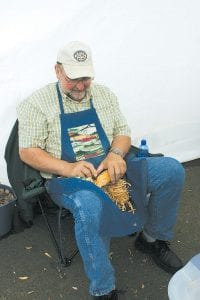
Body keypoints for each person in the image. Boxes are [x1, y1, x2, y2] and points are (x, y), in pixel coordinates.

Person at [17, 41, 185, 299]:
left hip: (111, 169)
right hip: (68, 179)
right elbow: (27, 151)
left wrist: (116, 154)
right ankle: (104, 288)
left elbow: (122, 133)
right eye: (74, 79)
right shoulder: (37, 103)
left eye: (86, 78)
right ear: (58, 71)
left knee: (172, 170)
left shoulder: (104, 95)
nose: (81, 86)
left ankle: (152, 240)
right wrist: (69, 167)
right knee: (89, 206)